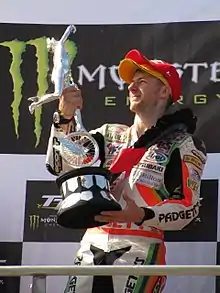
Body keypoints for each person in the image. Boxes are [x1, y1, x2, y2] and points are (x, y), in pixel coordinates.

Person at [45, 49, 207, 293]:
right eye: (131, 82)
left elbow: (188, 209)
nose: (131, 87)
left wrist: (141, 214)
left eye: (141, 82)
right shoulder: (107, 134)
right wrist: (64, 119)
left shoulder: (183, 144)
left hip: (141, 246)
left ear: (164, 91)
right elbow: (60, 166)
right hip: (92, 245)